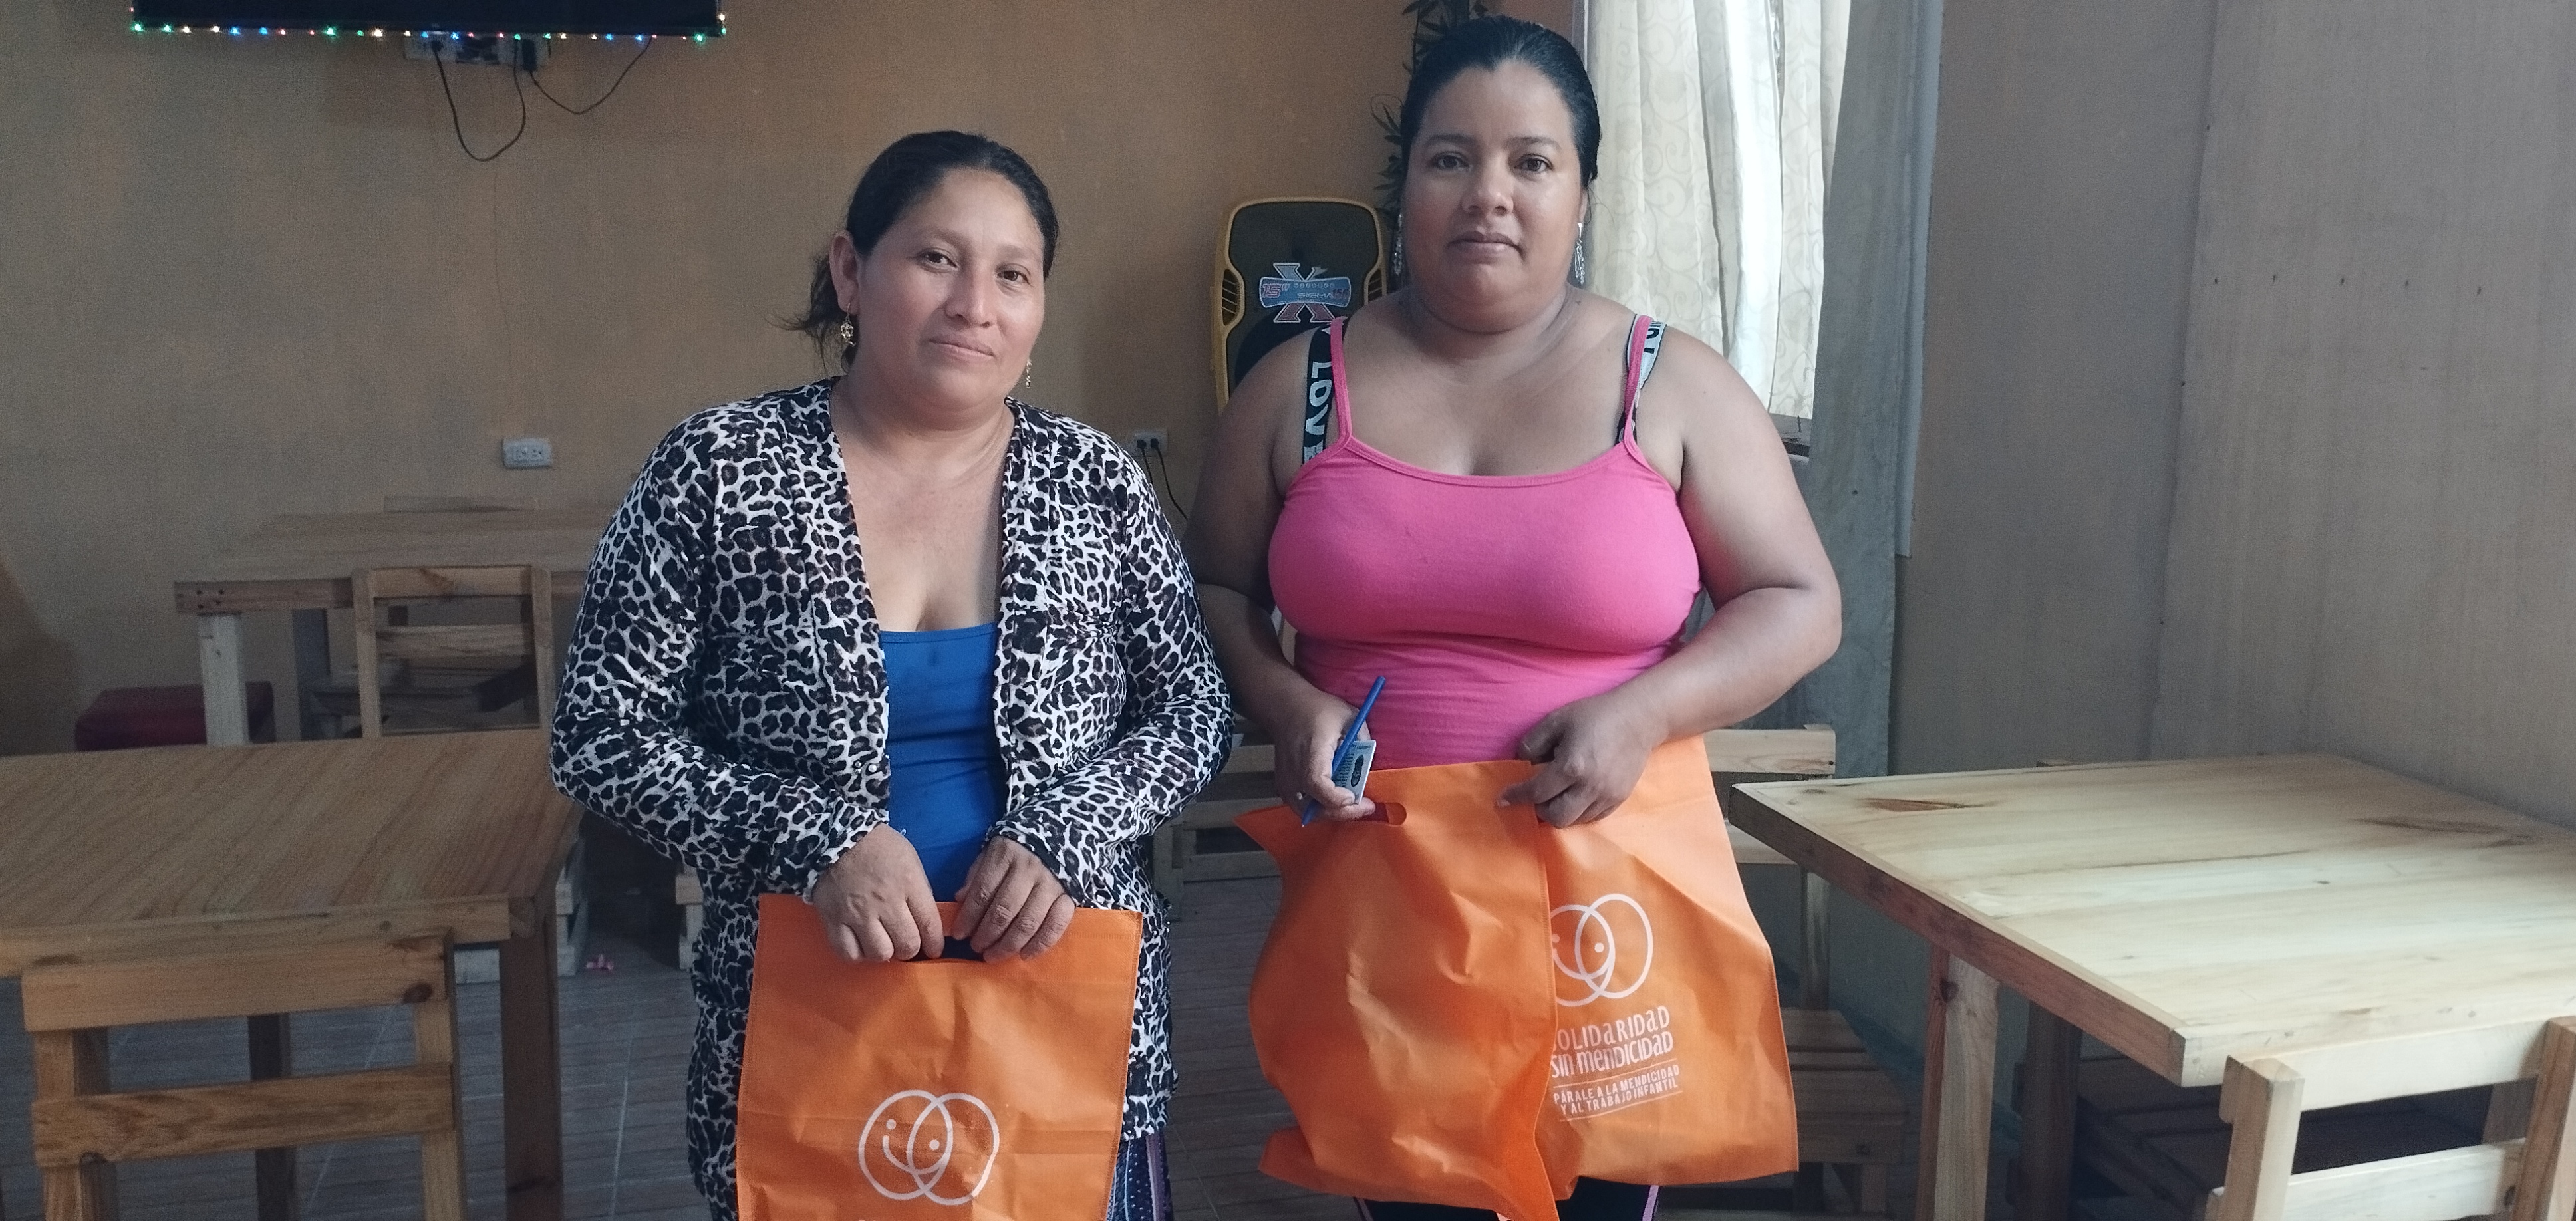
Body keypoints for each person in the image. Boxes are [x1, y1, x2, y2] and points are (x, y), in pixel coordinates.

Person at [1186, 17, 1842, 1220]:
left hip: (1606, 911)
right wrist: (1285, 699)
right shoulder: (1297, 385)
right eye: (1451, 158)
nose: (1488, 193)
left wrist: (1645, 712)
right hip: (1386, 902)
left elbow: (1800, 603)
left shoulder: (1672, 384)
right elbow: (1216, 591)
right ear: (1405, 187)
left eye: (1532, 161)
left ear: (1583, 194)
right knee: (1413, 1194)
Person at [551, 130, 1230, 1221]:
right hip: (811, 1017)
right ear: (849, 271)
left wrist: (1069, 829)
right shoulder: (719, 470)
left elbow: (1192, 708)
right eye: (936, 259)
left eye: (1014, 274)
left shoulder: (1094, 481)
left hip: (1062, 1010)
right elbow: (600, 733)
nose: (975, 305)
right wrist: (817, 839)